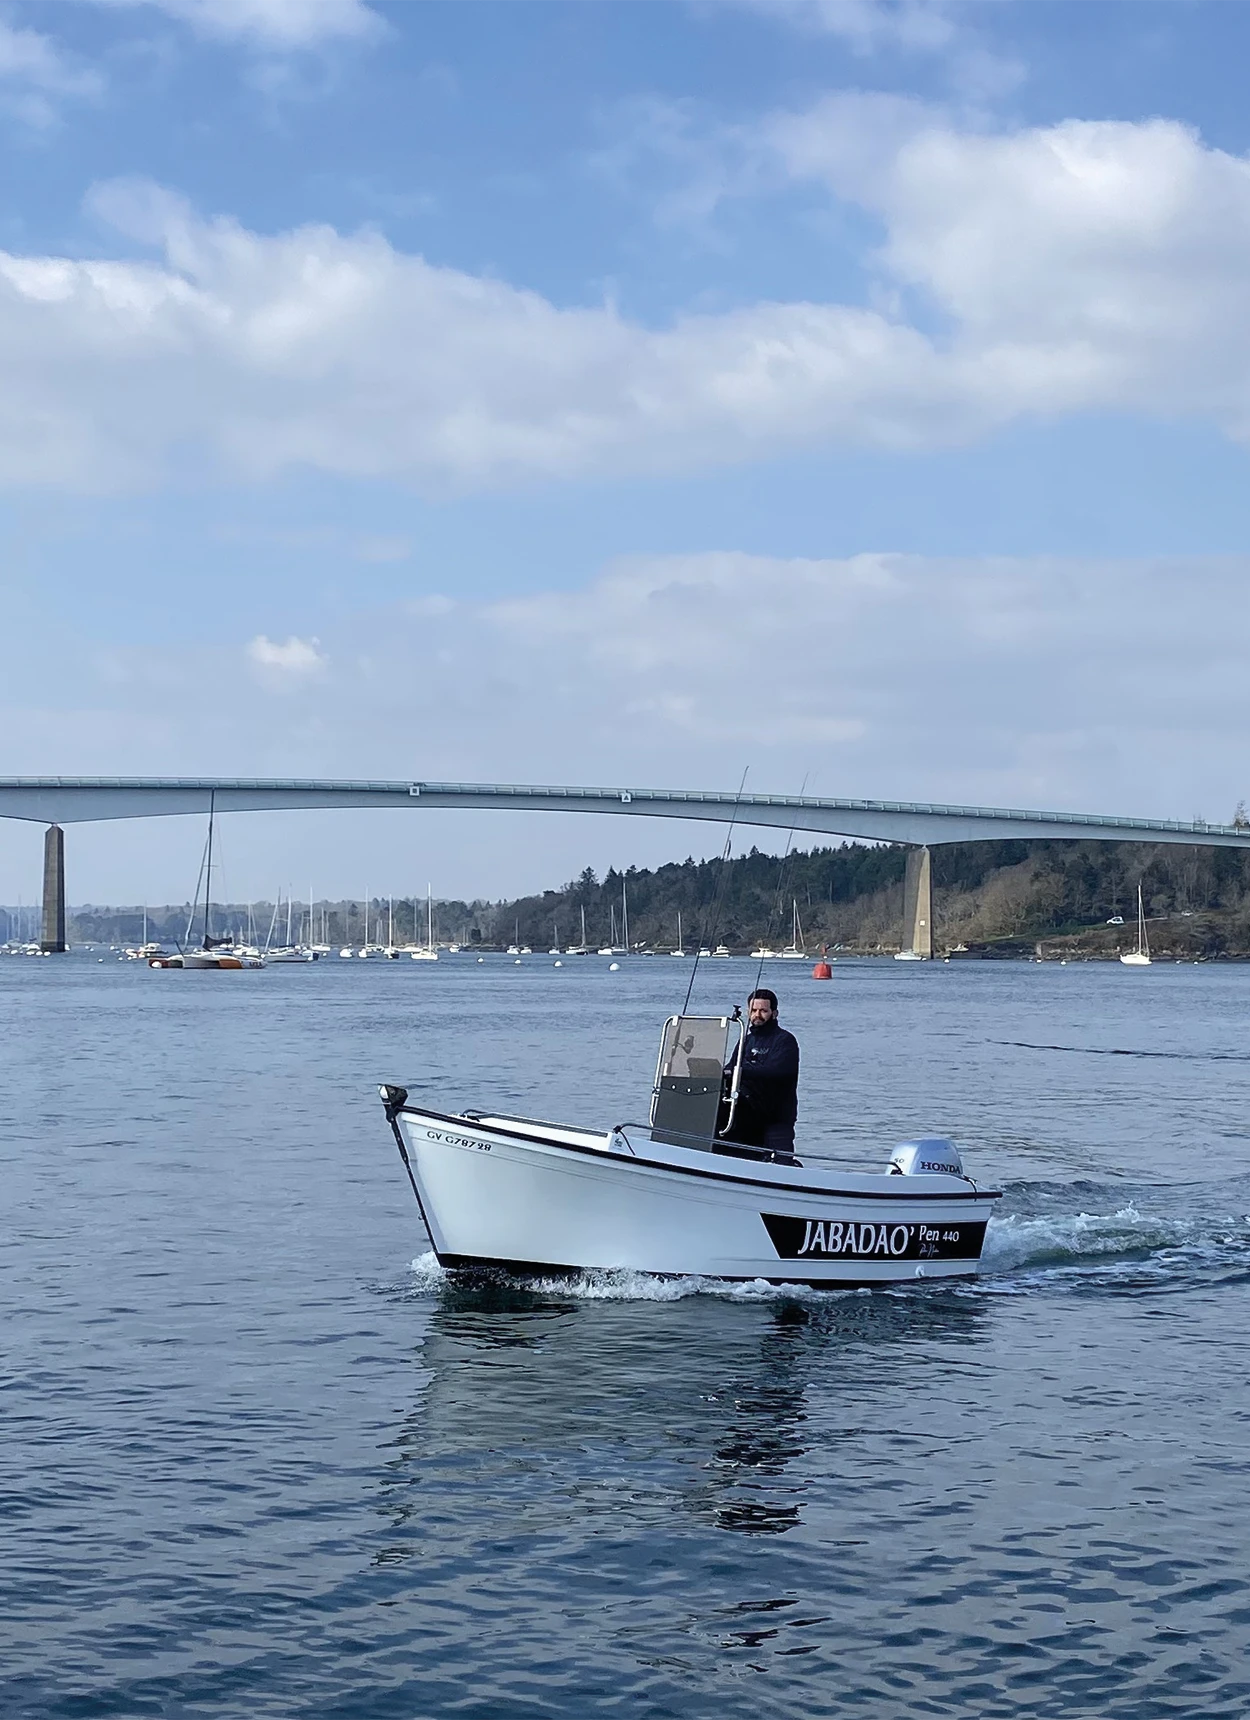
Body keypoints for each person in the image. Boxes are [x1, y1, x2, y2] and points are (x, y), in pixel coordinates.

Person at [724, 989, 800, 1161]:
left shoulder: (785, 1041)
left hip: (777, 1119)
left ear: (774, 1013)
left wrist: (742, 1069)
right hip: (748, 1116)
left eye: (763, 1011)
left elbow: (776, 1072)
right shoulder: (746, 1040)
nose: (758, 1015)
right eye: (754, 1010)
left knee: (781, 1164)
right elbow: (730, 1068)